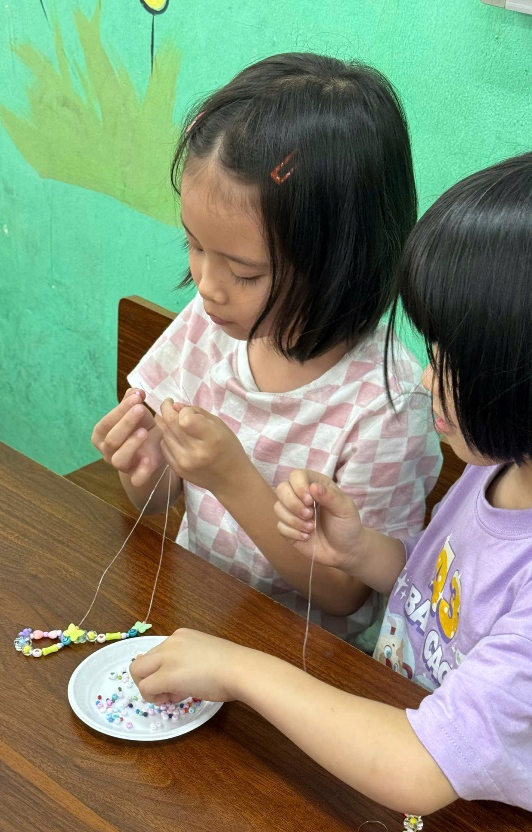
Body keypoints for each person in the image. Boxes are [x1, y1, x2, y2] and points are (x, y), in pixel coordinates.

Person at [130, 146, 532, 820]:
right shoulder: (509, 464)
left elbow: (419, 768)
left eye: (449, 361)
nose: (427, 378)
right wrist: (362, 552)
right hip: (425, 765)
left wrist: (238, 670)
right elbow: (452, 603)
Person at [91, 53, 441, 648]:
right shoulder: (206, 326)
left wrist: (233, 478)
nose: (206, 285)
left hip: (307, 667)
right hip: (200, 618)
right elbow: (158, 503)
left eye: (245, 272)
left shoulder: (387, 404)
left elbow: (344, 594)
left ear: (341, 263)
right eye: (194, 246)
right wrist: (144, 471)